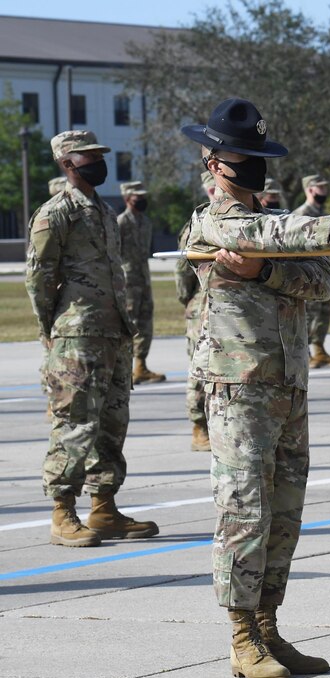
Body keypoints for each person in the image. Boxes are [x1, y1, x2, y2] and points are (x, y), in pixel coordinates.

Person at [180, 97, 330, 678]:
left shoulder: (268, 223)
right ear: (212, 162)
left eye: (255, 153)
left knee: (284, 513)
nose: (251, 164)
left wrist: (267, 271)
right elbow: (275, 233)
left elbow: (320, 280)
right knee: (244, 510)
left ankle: (268, 626)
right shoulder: (216, 222)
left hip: (287, 383)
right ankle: (240, 637)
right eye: (239, 155)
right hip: (240, 384)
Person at [25, 130, 160, 547]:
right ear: (68, 163)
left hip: (113, 332)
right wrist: (52, 332)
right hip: (77, 334)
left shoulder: (104, 211)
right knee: (75, 421)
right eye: (88, 157)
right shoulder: (56, 212)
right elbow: (39, 278)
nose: (98, 162)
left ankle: (104, 509)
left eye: (99, 155)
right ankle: (62, 512)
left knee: (111, 422)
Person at [174, 170, 217, 452]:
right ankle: (198, 426)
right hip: (201, 306)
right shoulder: (197, 224)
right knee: (199, 370)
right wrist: (190, 302)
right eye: (212, 190)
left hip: (229, 306)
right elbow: (182, 272)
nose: (217, 193)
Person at [293, 173, 330, 368]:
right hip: (308, 271)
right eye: (320, 188)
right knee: (308, 314)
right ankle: (303, 353)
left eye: (325, 187)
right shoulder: (300, 215)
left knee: (324, 313)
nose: (324, 191)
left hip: (324, 269)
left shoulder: (324, 213)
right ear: (310, 189)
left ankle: (319, 351)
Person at [118, 180, 167, 385]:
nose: (142, 201)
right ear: (128, 199)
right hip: (127, 280)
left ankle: (140, 366)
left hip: (143, 279)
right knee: (128, 323)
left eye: (144, 198)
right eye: (138, 198)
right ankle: (123, 368)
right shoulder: (120, 222)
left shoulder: (146, 222)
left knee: (145, 323)